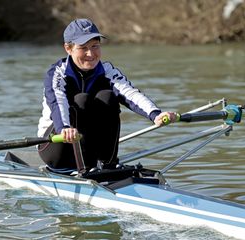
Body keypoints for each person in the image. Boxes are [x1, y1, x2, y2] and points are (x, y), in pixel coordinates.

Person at [37, 18, 178, 173]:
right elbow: (59, 103)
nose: (90, 54)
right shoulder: (57, 74)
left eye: (95, 46)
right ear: (68, 49)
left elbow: (130, 93)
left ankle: (108, 164)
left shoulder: (107, 70)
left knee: (108, 97)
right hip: (56, 146)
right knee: (81, 100)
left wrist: (155, 114)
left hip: (87, 148)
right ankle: (82, 168)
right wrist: (63, 128)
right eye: (83, 48)